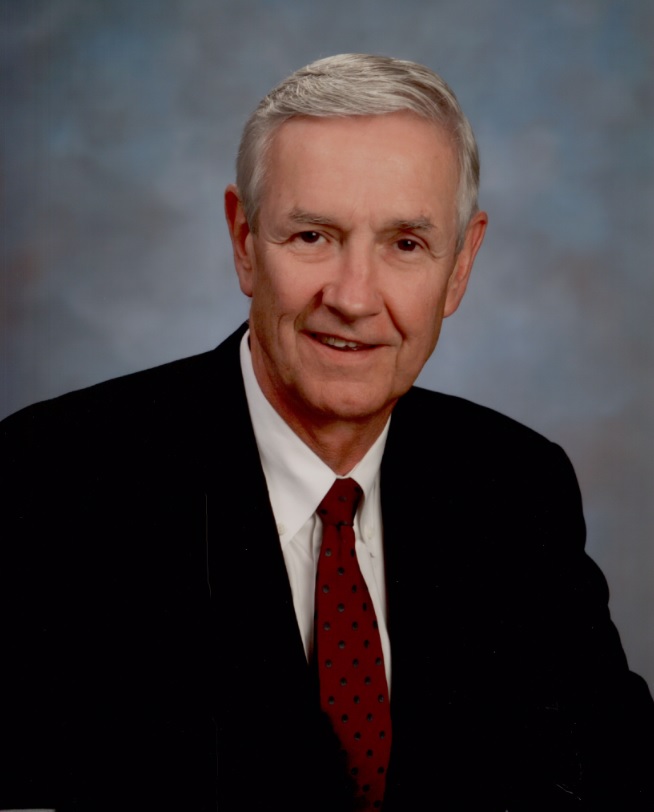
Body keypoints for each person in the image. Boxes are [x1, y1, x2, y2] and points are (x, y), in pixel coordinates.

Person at [1, 53, 652, 812]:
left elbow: (619, 777)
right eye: (312, 236)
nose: (353, 297)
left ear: (462, 264)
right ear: (244, 241)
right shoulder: (49, 481)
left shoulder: (513, 485)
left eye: (405, 244)